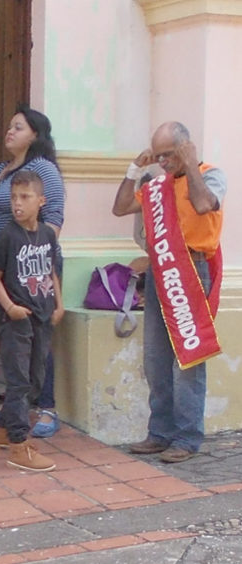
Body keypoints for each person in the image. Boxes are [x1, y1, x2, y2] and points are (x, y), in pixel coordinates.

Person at [112, 121, 226, 463]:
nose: (163, 162)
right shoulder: (157, 186)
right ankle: (159, 433)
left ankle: (187, 437)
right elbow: (120, 208)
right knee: (156, 359)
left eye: (169, 154)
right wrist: (135, 168)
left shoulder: (210, 174)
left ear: (186, 147)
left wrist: (189, 165)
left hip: (192, 271)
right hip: (161, 270)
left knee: (188, 357)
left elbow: (204, 204)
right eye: (158, 156)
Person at [0, 105, 65, 437]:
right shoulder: (3, 169)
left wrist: (30, 256)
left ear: (35, 135)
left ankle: (45, 407)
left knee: (37, 339)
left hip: (30, 268)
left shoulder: (42, 169)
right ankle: (15, 405)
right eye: (10, 126)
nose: (10, 131)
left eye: (19, 127)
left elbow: (54, 219)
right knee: (14, 340)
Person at [0, 170, 64, 471]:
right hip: (16, 320)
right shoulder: (9, 235)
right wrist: (10, 307)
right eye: (14, 197)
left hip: (42, 317)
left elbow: (51, 271)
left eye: (25, 197)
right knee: (18, 381)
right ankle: (18, 445)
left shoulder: (47, 235)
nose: (17, 203)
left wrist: (59, 304)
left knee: (35, 380)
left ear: (41, 201)